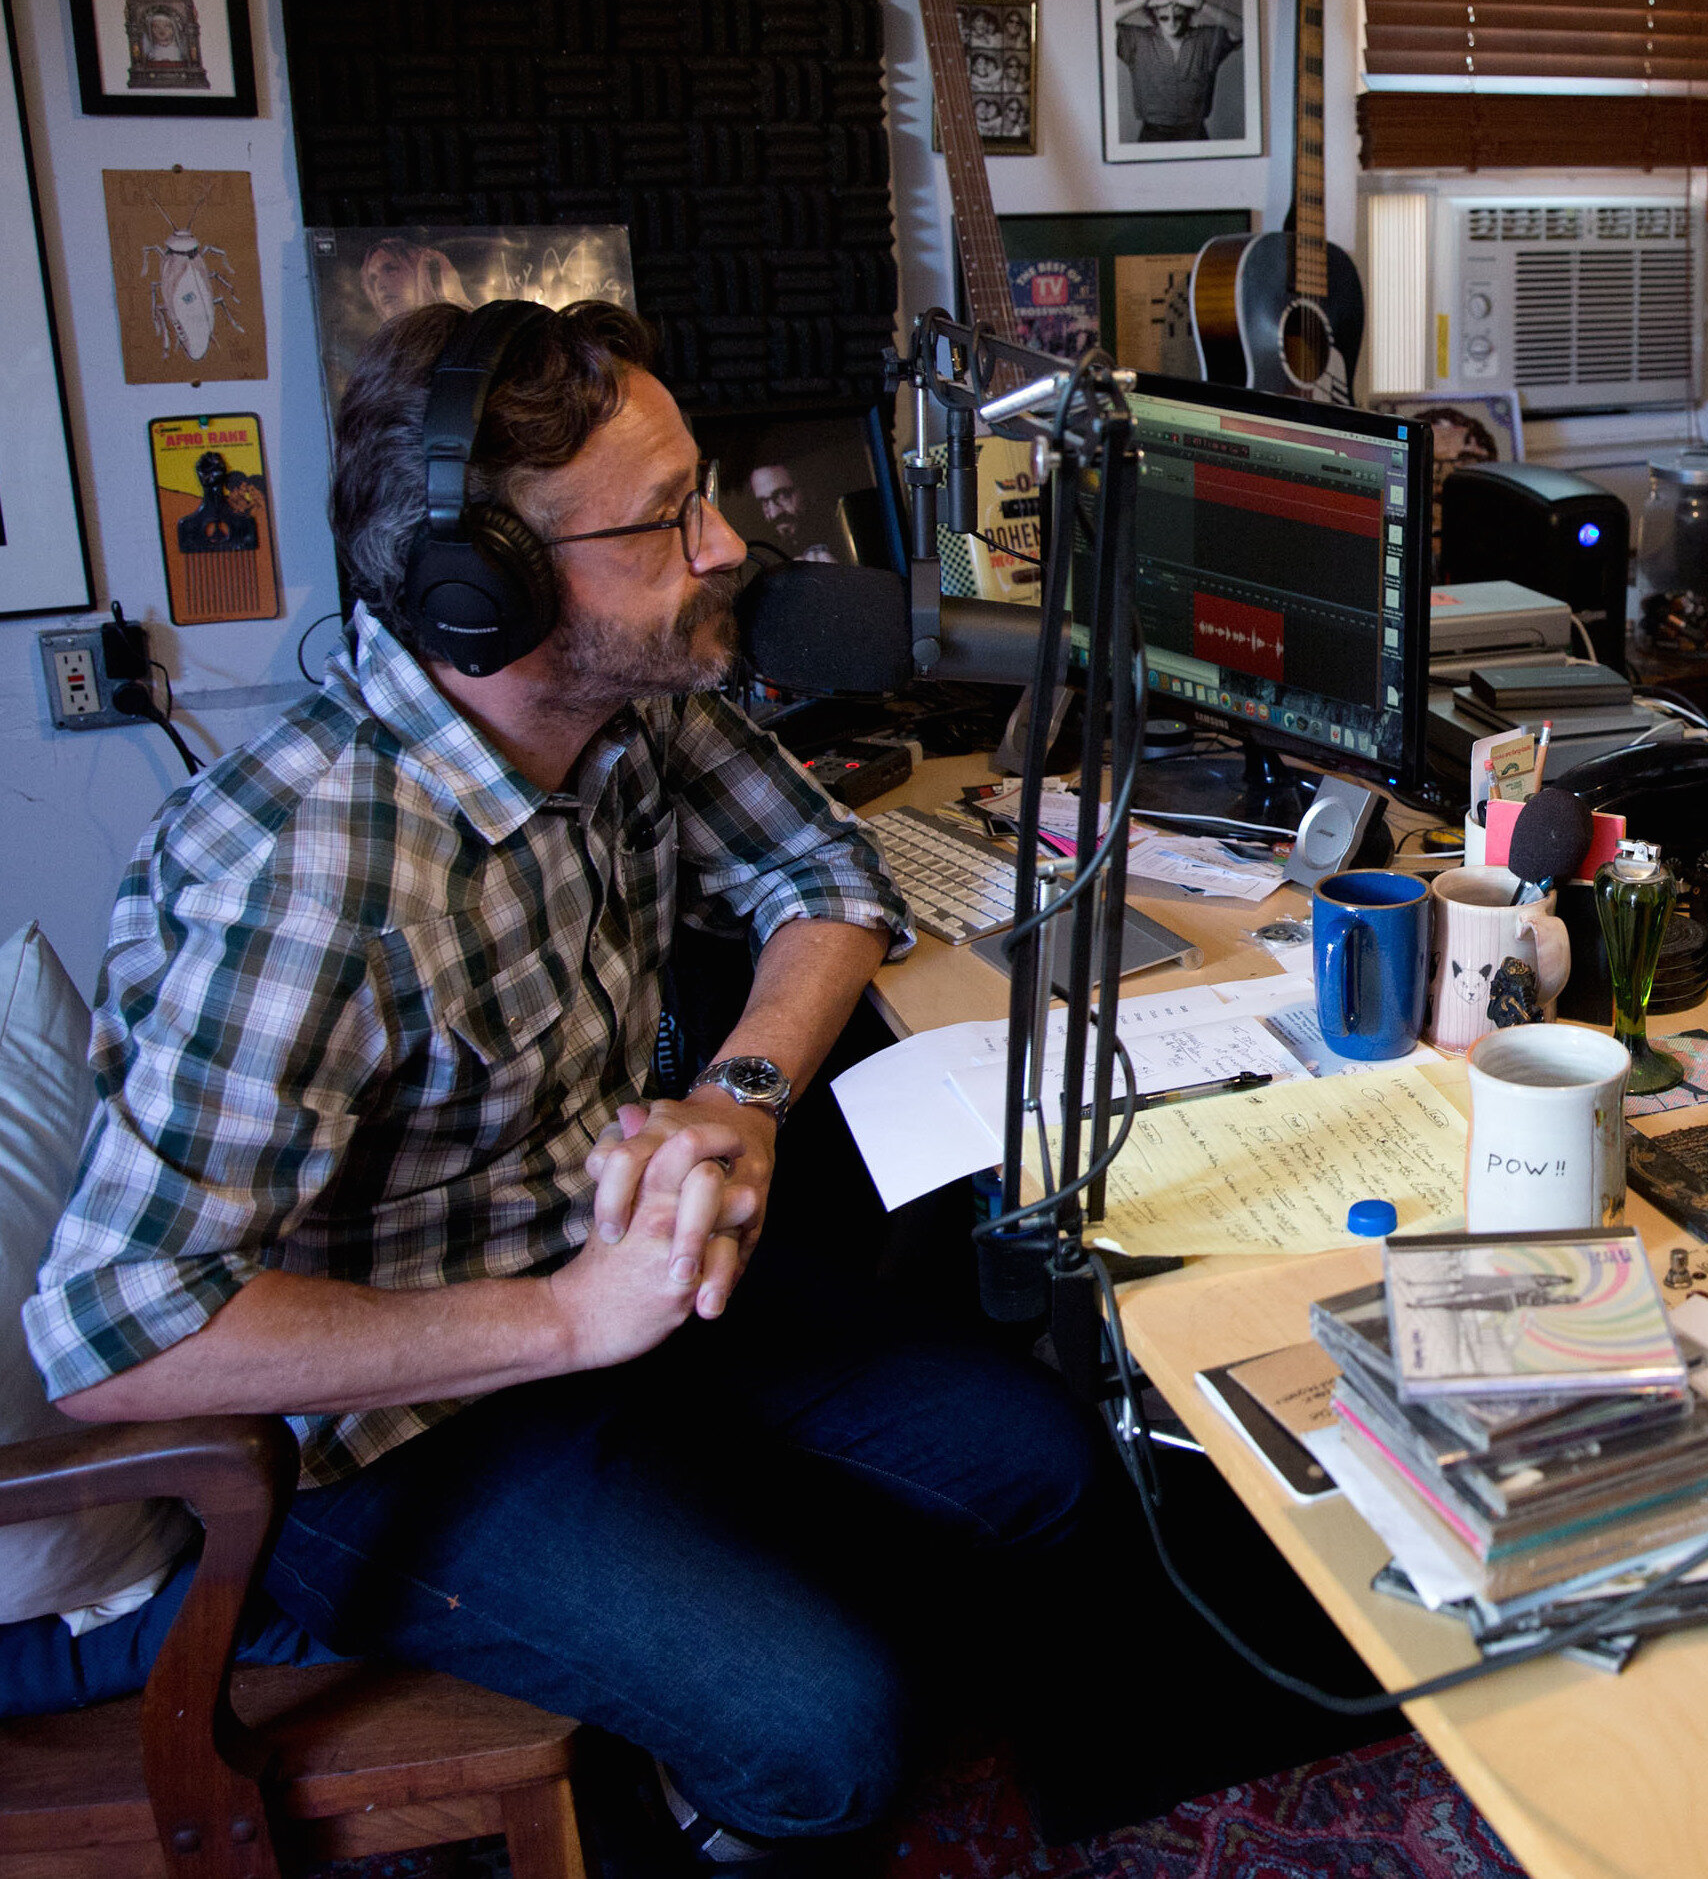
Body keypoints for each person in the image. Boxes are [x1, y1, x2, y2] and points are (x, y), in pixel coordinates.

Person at [23, 300, 1108, 1865]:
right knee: (830, 1739)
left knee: (1041, 1466)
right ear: (489, 590)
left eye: (702, 492)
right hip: (376, 1431)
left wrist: (741, 1092)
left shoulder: (631, 701)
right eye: (666, 518)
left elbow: (829, 873)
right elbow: (114, 1329)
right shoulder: (312, 875)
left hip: (603, 1287)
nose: (723, 547)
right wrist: (560, 1320)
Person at [1112, 0, 1243, 144]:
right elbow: (1100, 24)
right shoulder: (1136, 40)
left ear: (1188, 12)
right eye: (1164, 17)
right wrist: (1140, 1)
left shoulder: (1205, 40)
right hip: (1152, 136)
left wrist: (1200, 4)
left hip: (1195, 135)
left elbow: (1245, 29)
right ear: (1154, 13)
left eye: (1178, 17)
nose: (1172, 23)